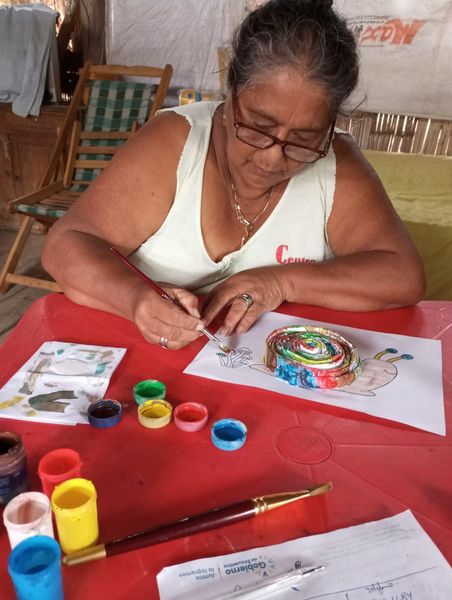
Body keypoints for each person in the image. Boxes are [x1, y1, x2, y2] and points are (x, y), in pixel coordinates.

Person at [42, 0, 426, 350]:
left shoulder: (336, 163)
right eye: (258, 126)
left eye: (304, 139)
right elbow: (65, 245)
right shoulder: (175, 143)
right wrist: (135, 299)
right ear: (231, 93)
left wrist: (281, 281)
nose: (273, 157)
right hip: (139, 365)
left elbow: (403, 275)